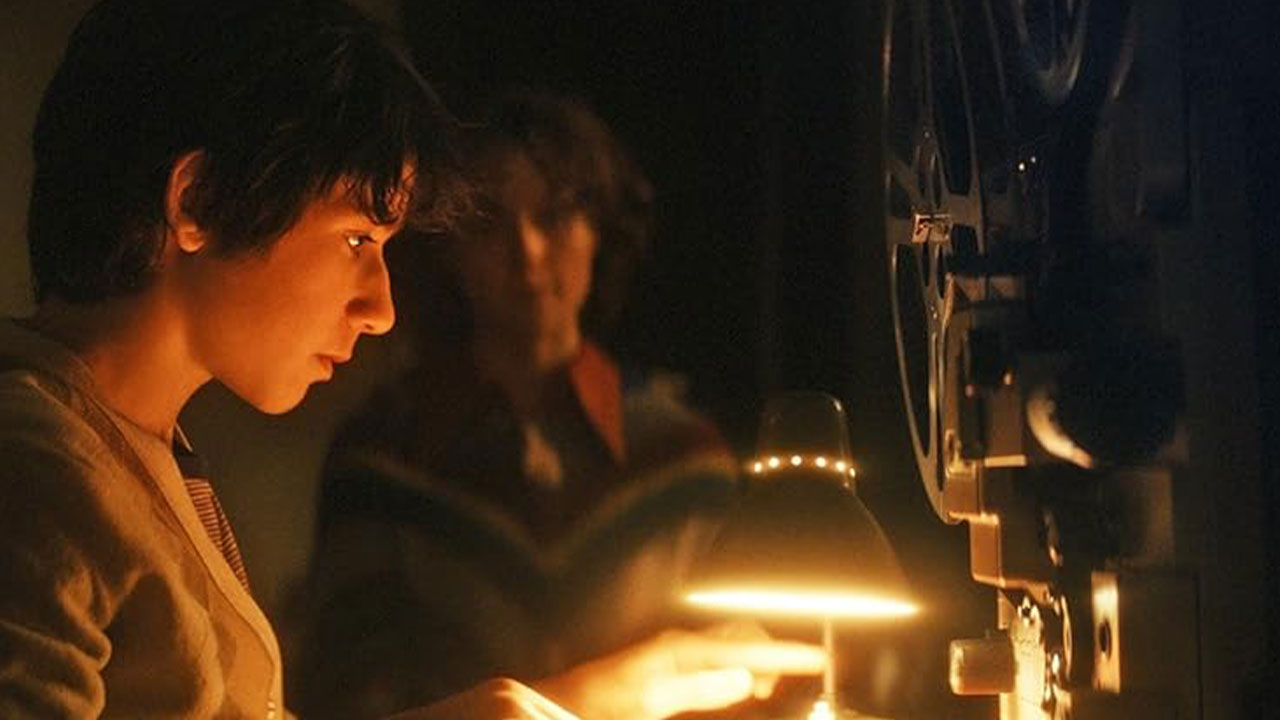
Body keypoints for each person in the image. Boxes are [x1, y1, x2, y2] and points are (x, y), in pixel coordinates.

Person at [0, 1, 825, 718]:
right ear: (200, 203)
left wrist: (587, 696)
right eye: (358, 239)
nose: (381, 306)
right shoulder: (38, 469)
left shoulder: (143, 452)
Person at [289, 92, 750, 718]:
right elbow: (343, 692)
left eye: (555, 218)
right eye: (489, 224)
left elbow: (731, 681)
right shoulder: (385, 455)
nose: (528, 253)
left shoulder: (681, 459)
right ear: (450, 248)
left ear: (597, 231)